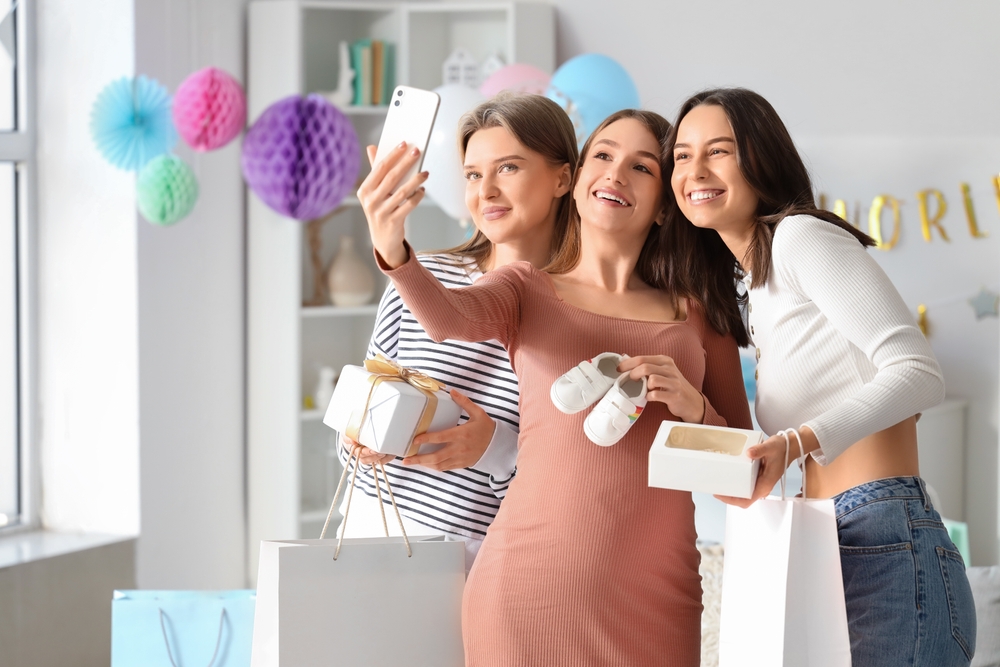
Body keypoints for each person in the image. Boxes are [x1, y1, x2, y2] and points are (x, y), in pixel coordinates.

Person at [365, 108, 751, 666]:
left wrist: (694, 410)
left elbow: (745, 482)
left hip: (657, 605)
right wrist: (393, 246)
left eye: (641, 167)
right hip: (524, 591)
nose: (615, 174)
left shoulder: (699, 318)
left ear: (666, 201)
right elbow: (447, 317)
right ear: (576, 179)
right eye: (603, 155)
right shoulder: (524, 288)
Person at [668, 87, 977, 666]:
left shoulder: (799, 237)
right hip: (831, 533)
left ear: (760, 157)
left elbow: (917, 371)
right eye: (682, 155)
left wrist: (795, 442)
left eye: (719, 151)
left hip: (883, 534)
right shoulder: (756, 285)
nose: (695, 170)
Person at [337, 94, 578, 572]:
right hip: (367, 528)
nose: (485, 191)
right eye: (472, 174)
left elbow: (571, 480)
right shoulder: (421, 274)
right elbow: (358, 408)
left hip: (475, 559)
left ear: (563, 177)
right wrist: (358, 438)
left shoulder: (578, 314)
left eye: (507, 168)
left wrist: (495, 448)